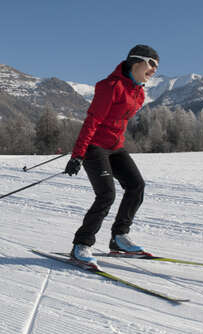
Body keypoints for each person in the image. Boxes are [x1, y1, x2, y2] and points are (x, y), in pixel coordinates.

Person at [64, 45, 159, 267]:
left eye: (157, 66)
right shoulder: (110, 87)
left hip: (115, 148)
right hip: (95, 147)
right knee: (106, 194)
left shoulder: (139, 91)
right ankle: (81, 245)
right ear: (137, 61)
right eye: (152, 63)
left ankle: (119, 238)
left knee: (136, 186)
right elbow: (92, 121)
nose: (154, 70)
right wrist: (78, 155)